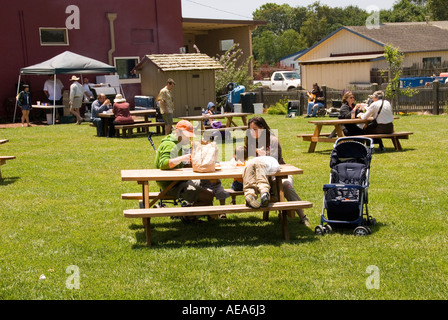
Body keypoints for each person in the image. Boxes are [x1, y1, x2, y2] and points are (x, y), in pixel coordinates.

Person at [245, 116, 311, 226]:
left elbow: (276, 159)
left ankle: (302, 216)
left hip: (279, 173)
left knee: (285, 185)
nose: (252, 132)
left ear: (263, 128)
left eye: (255, 129)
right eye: (250, 129)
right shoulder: (251, 141)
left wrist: (264, 155)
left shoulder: (272, 140)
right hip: (262, 177)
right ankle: (258, 200)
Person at [154, 120, 214, 222]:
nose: (189, 138)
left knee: (207, 186)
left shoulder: (178, 142)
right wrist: (182, 158)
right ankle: (186, 215)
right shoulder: (170, 145)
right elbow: (163, 164)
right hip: (171, 184)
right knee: (208, 197)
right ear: (178, 132)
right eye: (187, 135)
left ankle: (188, 212)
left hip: (177, 181)